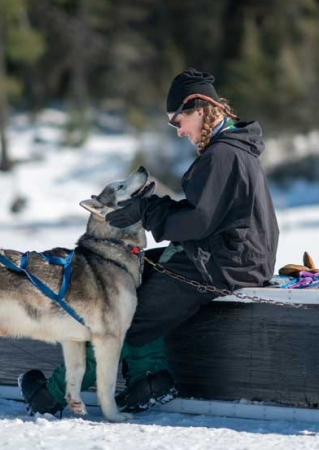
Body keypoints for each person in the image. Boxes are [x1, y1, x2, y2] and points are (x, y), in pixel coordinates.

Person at [20, 67, 279, 414]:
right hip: (233, 256)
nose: (179, 131)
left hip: (224, 263)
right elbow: (208, 212)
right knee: (142, 272)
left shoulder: (222, 155)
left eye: (178, 121)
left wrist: (147, 212)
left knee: (121, 313)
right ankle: (148, 378)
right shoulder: (231, 147)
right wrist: (151, 207)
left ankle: (53, 394)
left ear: (198, 108)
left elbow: (199, 220)